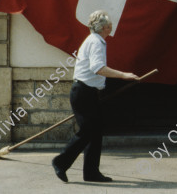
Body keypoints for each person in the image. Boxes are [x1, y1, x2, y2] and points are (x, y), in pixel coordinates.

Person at [52, 10, 139, 183]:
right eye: (109, 25)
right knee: (87, 131)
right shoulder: (96, 42)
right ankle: (60, 162)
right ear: (104, 27)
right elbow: (98, 68)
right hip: (83, 92)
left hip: (88, 92)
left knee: (95, 132)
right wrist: (124, 75)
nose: (111, 27)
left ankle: (91, 172)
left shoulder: (97, 41)